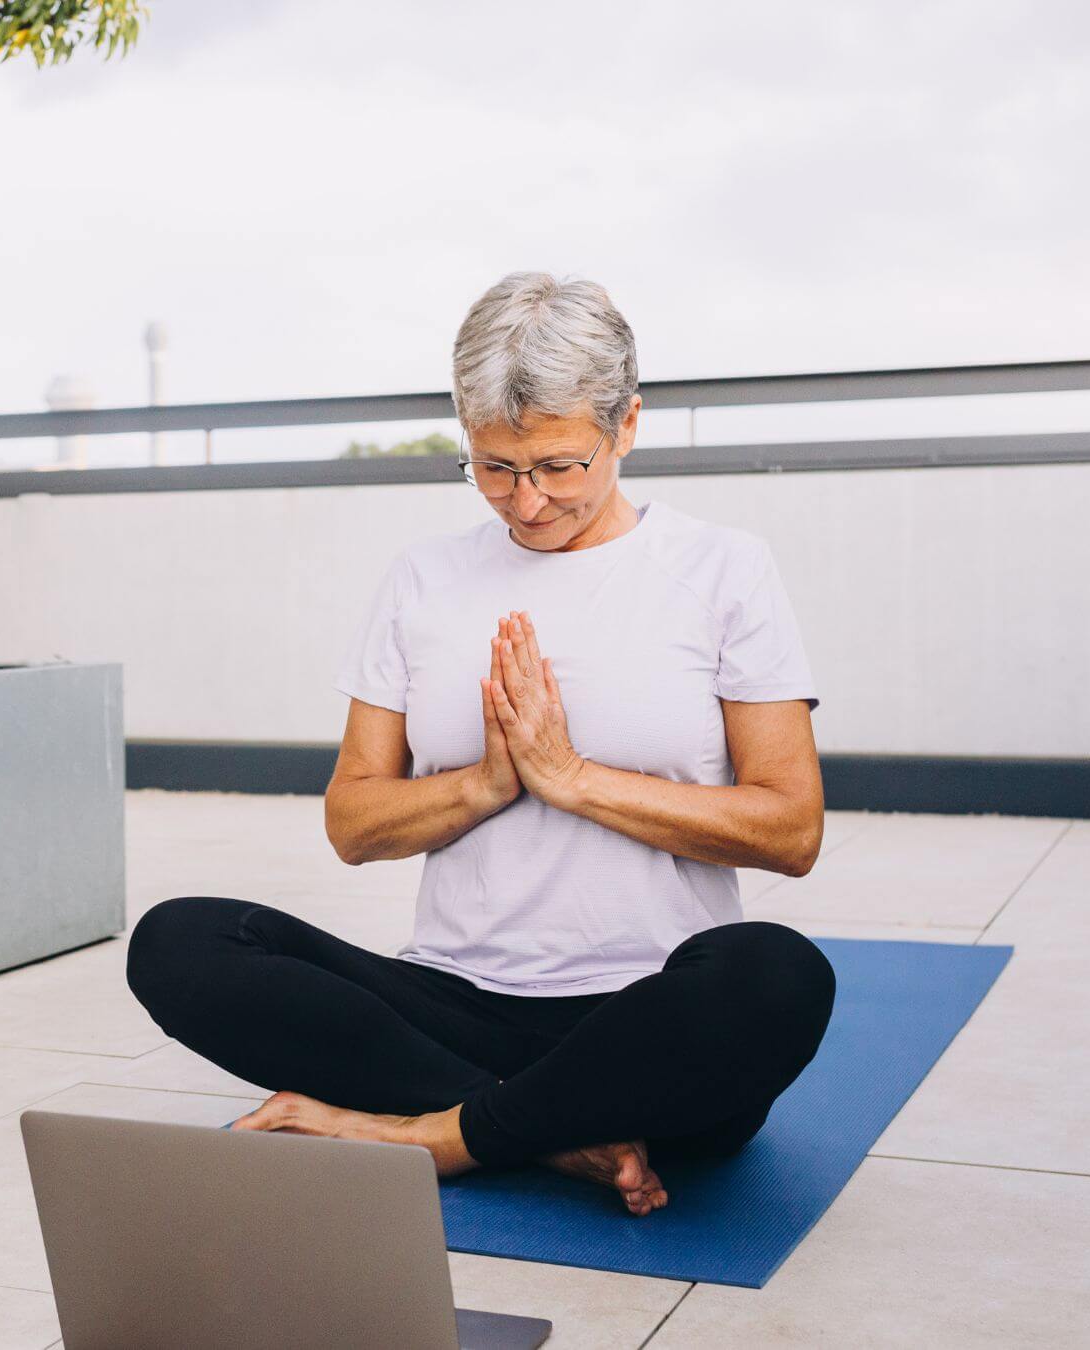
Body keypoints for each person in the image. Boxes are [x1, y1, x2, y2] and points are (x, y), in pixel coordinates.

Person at [126, 272, 837, 1217]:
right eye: (494, 468)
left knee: (778, 977)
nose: (527, 502)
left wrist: (573, 780)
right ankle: (546, 1134)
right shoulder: (424, 578)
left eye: (557, 466)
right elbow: (353, 822)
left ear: (626, 426)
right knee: (180, 940)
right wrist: (491, 783)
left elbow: (791, 829)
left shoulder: (722, 569)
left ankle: (432, 1134)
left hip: (648, 1022)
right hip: (450, 1009)